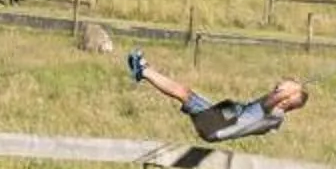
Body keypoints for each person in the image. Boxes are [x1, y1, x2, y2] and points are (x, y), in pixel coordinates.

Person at [125, 52, 308, 145]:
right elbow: (247, 116)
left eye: (280, 88)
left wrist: (295, 88)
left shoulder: (272, 111)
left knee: (183, 93)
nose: (276, 87)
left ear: (285, 100)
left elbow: (272, 100)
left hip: (216, 125)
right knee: (188, 93)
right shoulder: (274, 118)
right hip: (221, 121)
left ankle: (143, 71)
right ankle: (145, 69)